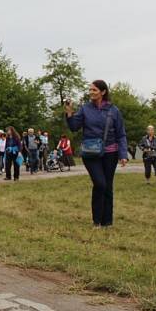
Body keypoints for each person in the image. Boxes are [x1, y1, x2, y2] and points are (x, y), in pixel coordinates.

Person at [66, 79, 128, 228]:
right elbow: (74, 127)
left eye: (94, 90)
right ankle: (96, 221)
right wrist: (69, 114)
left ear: (103, 92)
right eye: (90, 90)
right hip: (91, 153)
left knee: (108, 186)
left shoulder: (114, 110)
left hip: (110, 153)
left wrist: (123, 154)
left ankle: (107, 222)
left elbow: (121, 134)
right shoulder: (85, 109)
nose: (91, 92)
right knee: (100, 183)